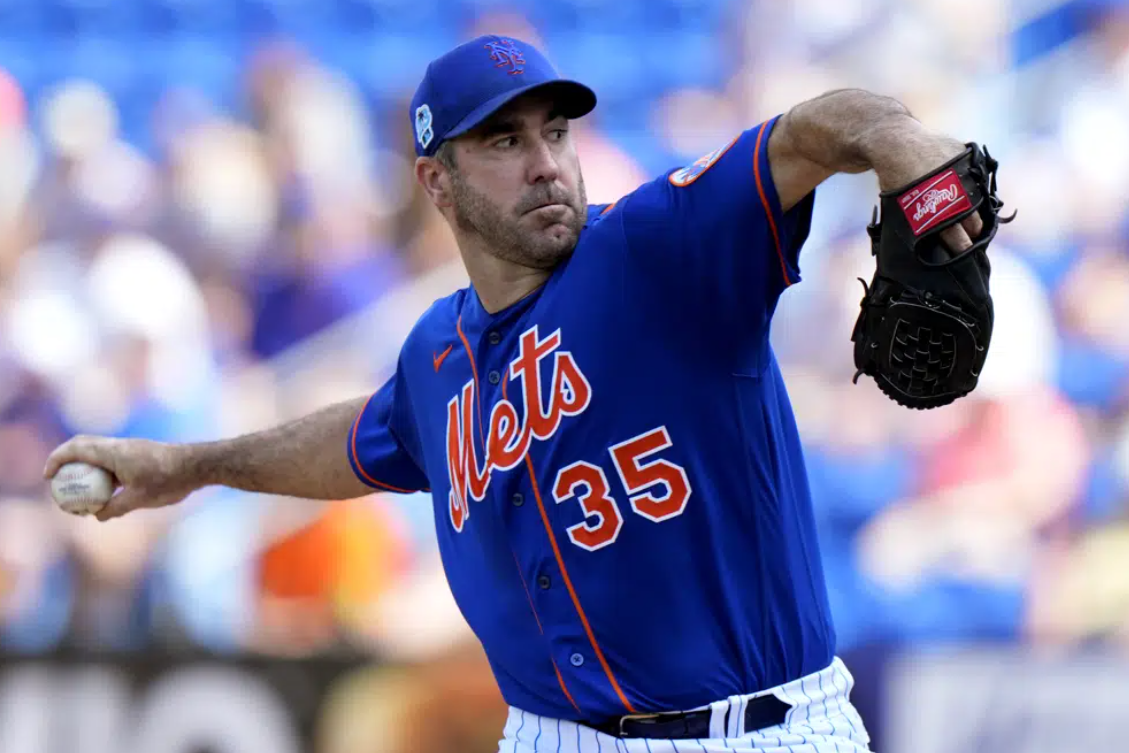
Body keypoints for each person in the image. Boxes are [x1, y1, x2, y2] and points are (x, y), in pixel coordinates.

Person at [45, 35, 987, 752]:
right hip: (548, 734)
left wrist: (891, 136)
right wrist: (186, 465)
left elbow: (809, 132)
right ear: (437, 182)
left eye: (555, 130)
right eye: (502, 139)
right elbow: (365, 442)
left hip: (763, 730)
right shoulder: (434, 355)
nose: (544, 161)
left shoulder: (661, 247)